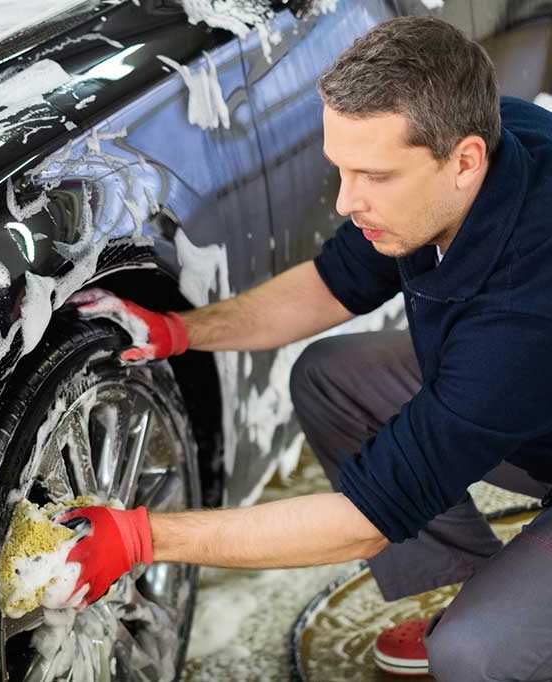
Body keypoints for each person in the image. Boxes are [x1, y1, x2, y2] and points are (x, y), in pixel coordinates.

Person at [58, 14, 552, 681]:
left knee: (474, 655)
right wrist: (182, 330)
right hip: (534, 410)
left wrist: (141, 537)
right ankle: (470, 587)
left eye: (375, 176)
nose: (349, 201)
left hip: (527, 377)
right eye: (342, 171)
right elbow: (329, 285)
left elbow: (362, 520)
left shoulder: (519, 318)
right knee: (330, 376)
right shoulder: (497, 139)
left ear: (463, 160)